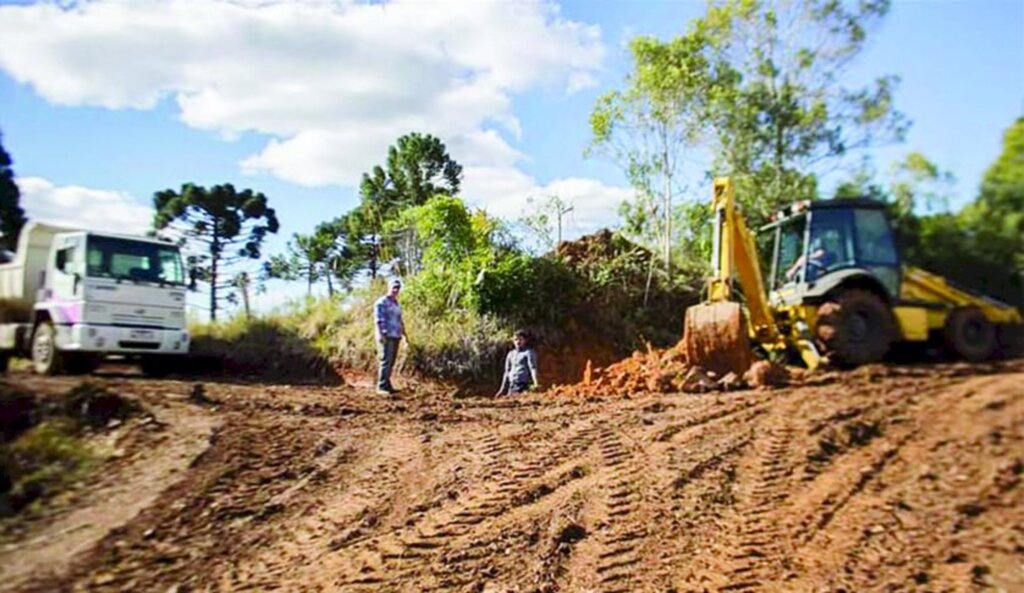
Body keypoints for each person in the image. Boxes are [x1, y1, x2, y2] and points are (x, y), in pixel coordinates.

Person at [374, 278, 407, 395]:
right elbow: (378, 320)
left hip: (396, 335)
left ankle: (387, 384)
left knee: (391, 362)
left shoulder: (397, 304)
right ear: (389, 287)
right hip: (386, 335)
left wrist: (405, 336)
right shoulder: (381, 302)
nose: (395, 290)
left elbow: (400, 320)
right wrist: (380, 334)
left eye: (398, 288)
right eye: (394, 287)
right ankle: (381, 387)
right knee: (385, 361)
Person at [496, 329, 540, 397]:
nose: (518, 342)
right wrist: (501, 390)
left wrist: (536, 383)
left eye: (520, 339)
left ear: (525, 341)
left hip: (523, 385)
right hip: (512, 386)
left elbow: (533, 368)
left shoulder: (528, 353)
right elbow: (506, 372)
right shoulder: (510, 354)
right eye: (516, 339)